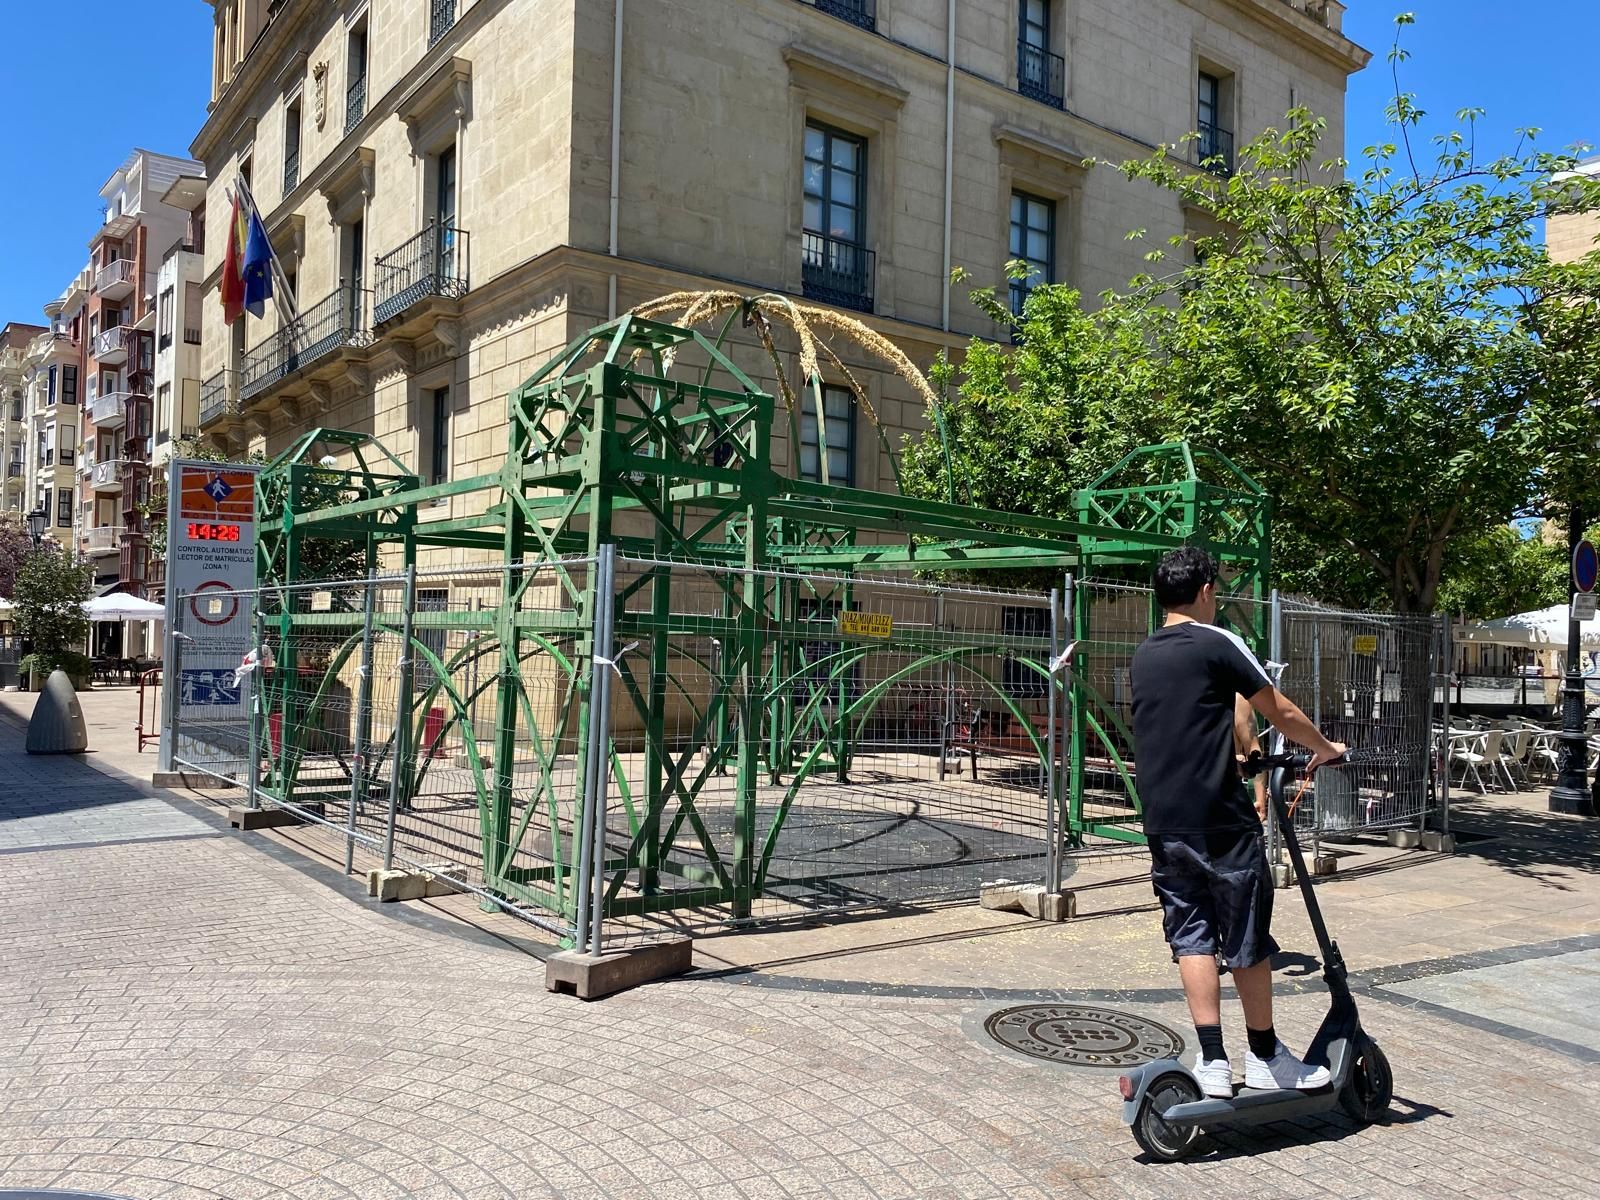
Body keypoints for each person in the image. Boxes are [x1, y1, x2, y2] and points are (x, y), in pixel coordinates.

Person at [1130, 546, 1346, 1098]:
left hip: (1163, 819)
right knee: (1246, 932)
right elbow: (1278, 709)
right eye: (1216, 590)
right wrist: (1324, 747)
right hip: (1220, 820)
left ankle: (1213, 1062)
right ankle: (1268, 1054)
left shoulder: (1145, 653)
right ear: (1205, 590)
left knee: (1191, 935)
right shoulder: (1217, 641)